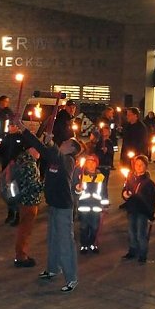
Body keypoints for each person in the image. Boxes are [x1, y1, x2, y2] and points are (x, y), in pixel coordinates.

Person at [18, 122, 80, 292]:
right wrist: (22, 128)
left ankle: (72, 278)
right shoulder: (55, 158)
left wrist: (51, 143)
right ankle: (53, 269)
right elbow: (39, 146)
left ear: (72, 149)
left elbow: (55, 154)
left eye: (67, 142)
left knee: (65, 242)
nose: (64, 142)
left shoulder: (68, 160)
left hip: (63, 207)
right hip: (53, 205)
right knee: (52, 240)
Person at [121, 155, 155, 263]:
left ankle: (142, 254)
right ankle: (133, 250)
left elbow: (151, 200)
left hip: (142, 211)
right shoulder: (130, 178)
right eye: (137, 164)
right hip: (132, 209)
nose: (139, 166)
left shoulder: (149, 183)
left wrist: (150, 214)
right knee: (131, 232)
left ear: (146, 166)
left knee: (141, 233)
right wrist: (125, 195)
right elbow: (125, 190)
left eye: (141, 165)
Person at [13, 146, 44, 268]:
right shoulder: (30, 165)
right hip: (29, 201)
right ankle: (21, 256)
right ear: (31, 150)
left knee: (24, 228)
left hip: (23, 200)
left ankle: (21, 254)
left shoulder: (22, 160)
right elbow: (33, 186)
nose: (40, 153)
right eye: (38, 150)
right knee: (25, 230)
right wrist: (46, 184)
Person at [75, 154, 108, 254]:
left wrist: (105, 205)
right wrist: (77, 189)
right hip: (84, 206)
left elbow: (104, 192)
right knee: (84, 227)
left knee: (94, 227)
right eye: (88, 162)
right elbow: (76, 192)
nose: (91, 164)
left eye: (93, 162)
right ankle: (84, 245)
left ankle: (92, 244)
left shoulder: (101, 177)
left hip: (96, 206)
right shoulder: (81, 176)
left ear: (96, 164)